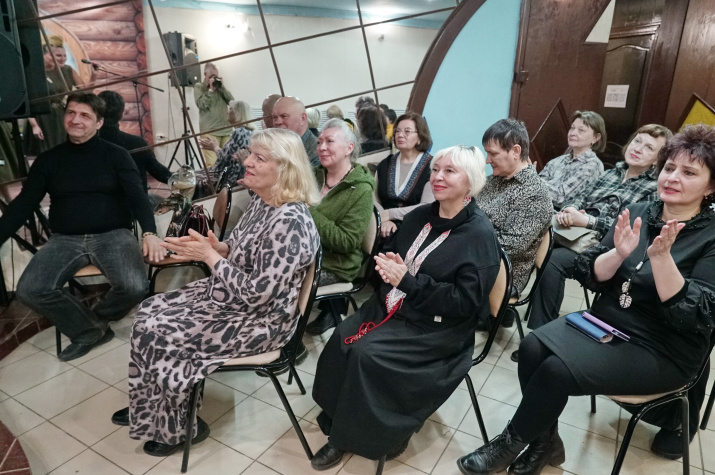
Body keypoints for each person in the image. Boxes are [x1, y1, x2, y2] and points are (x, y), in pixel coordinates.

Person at [457, 124, 715, 475]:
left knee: (555, 370)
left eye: (689, 172)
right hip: (608, 323)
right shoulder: (641, 210)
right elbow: (591, 272)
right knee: (532, 347)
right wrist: (618, 254)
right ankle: (545, 443)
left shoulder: (710, 236)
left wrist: (662, 259)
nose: (672, 177)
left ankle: (509, 443)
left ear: (711, 186)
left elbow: (695, 314)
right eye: (669, 167)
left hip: (663, 346)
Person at [110, 127, 320, 457]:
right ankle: (151, 403)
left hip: (260, 323)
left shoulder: (290, 222)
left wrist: (209, 257)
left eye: (259, 158)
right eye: (250, 154)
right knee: (150, 309)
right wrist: (219, 247)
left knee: (161, 329)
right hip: (233, 300)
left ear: (284, 169)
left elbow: (257, 293)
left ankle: (178, 425)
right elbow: (241, 246)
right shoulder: (264, 200)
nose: (247, 162)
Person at [310, 145, 501, 470]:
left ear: (470, 181)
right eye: (436, 169)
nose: (437, 176)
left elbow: (465, 302)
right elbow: (394, 256)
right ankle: (338, 415)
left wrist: (408, 282)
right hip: (394, 308)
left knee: (366, 355)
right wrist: (386, 264)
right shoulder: (420, 216)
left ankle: (356, 436)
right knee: (342, 336)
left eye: (449, 171)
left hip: (438, 328)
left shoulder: (479, 236)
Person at [2, 92, 163, 362]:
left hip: (113, 235)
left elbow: (137, 197)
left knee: (135, 287)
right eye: (71, 113)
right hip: (65, 239)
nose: (76, 120)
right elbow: (23, 205)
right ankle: (91, 330)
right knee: (30, 289)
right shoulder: (49, 160)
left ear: (98, 123)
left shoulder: (117, 156)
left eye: (85, 115)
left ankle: (92, 319)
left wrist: (149, 233)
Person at [516, 124, 673, 362]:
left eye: (649, 147)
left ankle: (541, 338)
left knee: (553, 261)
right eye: (637, 141)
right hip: (574, 235)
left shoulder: (653, 188)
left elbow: (632, 228)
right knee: (531, 241)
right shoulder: (612, 173)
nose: (638, 148)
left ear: (657, 161)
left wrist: (588, 221)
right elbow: (581, 197)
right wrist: (570, 210)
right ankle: (504, 305)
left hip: (608, 249)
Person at [475, 118, 552, 326]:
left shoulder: (535, 193)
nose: (487, 160)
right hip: (477, 257)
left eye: (493, 154)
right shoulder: (495, 180)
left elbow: (511, 246)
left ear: (515, 151)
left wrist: (464, 245)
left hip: (501, 272)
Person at [304, 119, 375, 335]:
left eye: (330, 141)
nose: (322, 147)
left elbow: (347, 242)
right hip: (305, 254)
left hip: (335, 265)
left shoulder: (361, 190)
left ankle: (287, 342)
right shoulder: (314, 175)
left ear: (349, 148)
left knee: (280, 281)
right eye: (319, 142)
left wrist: (308, 210)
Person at [98, 90, 172, 206]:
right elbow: (159, 173)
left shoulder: (89, 145)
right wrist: (182, 178)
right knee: (160, 200)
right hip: (134, 207)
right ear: (121, 114)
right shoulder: (136, 143)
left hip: (100, 206)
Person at [374, 111, 434, 239]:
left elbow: (426, 205)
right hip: (382, 228)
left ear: (420, 137)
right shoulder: (385, 164)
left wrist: (390, 214)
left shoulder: (432, 166)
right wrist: (383, 219)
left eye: (407, 131)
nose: (400, 135)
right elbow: (374, 199)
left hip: (416, 229)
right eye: (397, 131)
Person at [539, 110, 607, 209]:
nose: (573, 133)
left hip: (562, 215)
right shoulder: (558, 160)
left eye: (581, 130)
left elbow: (560, 198)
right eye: (572, 128)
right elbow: (533, 187)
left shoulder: (592, 165)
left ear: (595, 138)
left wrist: (531, 180)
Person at [23, 45, 74, 155]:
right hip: (41, 118)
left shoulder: (65, 70)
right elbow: (27, 100)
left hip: (59, 116)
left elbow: (84, 90)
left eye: (64, 56)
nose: (62, 59)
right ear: (43, 56)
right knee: (41, 152)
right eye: (56, 55)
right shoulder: (34, 73)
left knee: (60, 151)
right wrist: (34, 125)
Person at [197, 99, 254, 191]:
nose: (227, 112)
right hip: (227, 174)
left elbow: (225, 158)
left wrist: (215, 147)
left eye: (230, 109)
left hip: (227, 178)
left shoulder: (239, 132)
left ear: (237, 113)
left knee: (190, 179)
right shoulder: (246, 132)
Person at [193, 62, 234, 166]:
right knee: (212, 164)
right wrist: (211, 90)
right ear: (205, 74)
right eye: (211, 76)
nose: (214, 78)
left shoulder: (220, 88)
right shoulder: (199, 87)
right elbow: (201, 104)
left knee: (228, 161)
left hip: (226, 131)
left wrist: (222, 87)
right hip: (210, 132)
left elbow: (232, 101)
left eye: (216, 76)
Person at [272, 96, 319, 167]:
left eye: (284, 116)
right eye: (274, 117)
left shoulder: (318, 152)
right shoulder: (273, 147)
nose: (278, 122)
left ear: (302, 118)